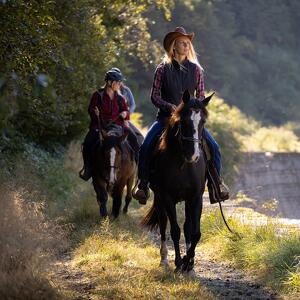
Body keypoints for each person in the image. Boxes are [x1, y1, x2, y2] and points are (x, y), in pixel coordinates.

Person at [132, 26, 230, 204]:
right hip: (165, 119)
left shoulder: (196, 70)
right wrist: (170, 107)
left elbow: (200, 96)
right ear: (173, 46)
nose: (186, 46)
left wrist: (193, 108)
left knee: (214, 148)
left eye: (187, 43)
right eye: (182, 43)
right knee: (146, 146)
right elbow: (154, 96)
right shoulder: (162, 69)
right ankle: (143, 185)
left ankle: (216, 186)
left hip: (189, 121)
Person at [79, 69, 140, 181]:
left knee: (135, 140)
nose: (119, 84)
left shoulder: (121, 98)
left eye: (120, 82)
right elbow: (90, 109)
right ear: (110, 83)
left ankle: (137, 173)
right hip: (99, 126)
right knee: (88, 143)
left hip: (117, 126)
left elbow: (126, 113)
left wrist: (125, 113)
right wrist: (95, 112)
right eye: (117, 82)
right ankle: (87, 169)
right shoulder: (97, 95)